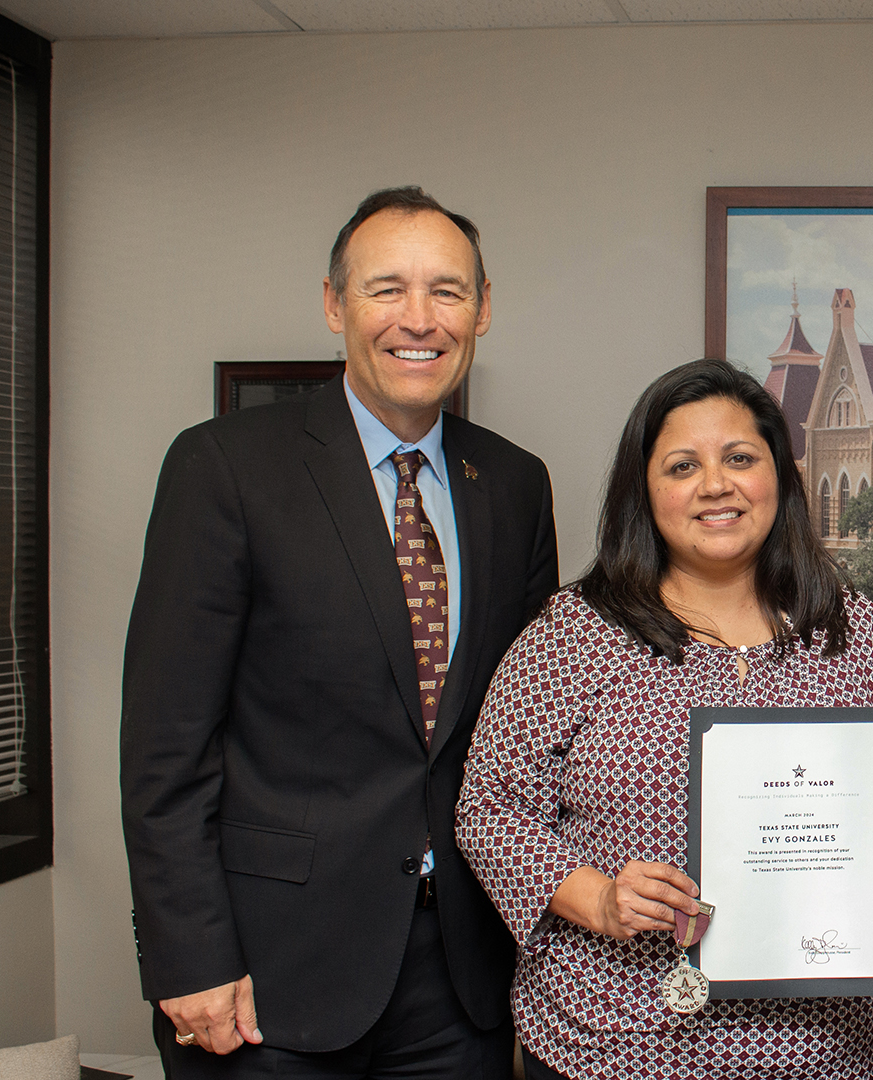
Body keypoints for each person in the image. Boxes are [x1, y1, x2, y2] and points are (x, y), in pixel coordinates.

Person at [121, 186, 559, 1078]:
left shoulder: (513, 484)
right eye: (384, 288)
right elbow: (165, 749)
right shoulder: (226, 469)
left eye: (447, 290)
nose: (418, 319)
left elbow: (530, 734)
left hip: (461, 979)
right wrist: (189, 955)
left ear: (482, 309)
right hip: (267, 978)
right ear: (333, 305)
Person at [454, 358, 873, 1080]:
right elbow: (489, 808)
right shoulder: (575, 632)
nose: (716, 485)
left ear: (778, 474)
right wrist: (600, 899)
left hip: (821, 1048)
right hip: (616, 1043)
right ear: (644, 492)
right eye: (683, 466)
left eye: (740, 458)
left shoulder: (853, 631)